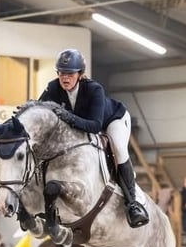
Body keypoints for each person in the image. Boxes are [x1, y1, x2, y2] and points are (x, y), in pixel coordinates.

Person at [39, 48, 149, 228]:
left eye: (70, 74)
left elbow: (95, 125)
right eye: (61, 73)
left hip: (112, 120)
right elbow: (39, 108)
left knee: (119, 148)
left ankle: (132, 204)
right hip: (83, 125)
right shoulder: (53, 88)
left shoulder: (94, 89)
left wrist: (68, 117)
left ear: (80, 74)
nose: (65, 78)